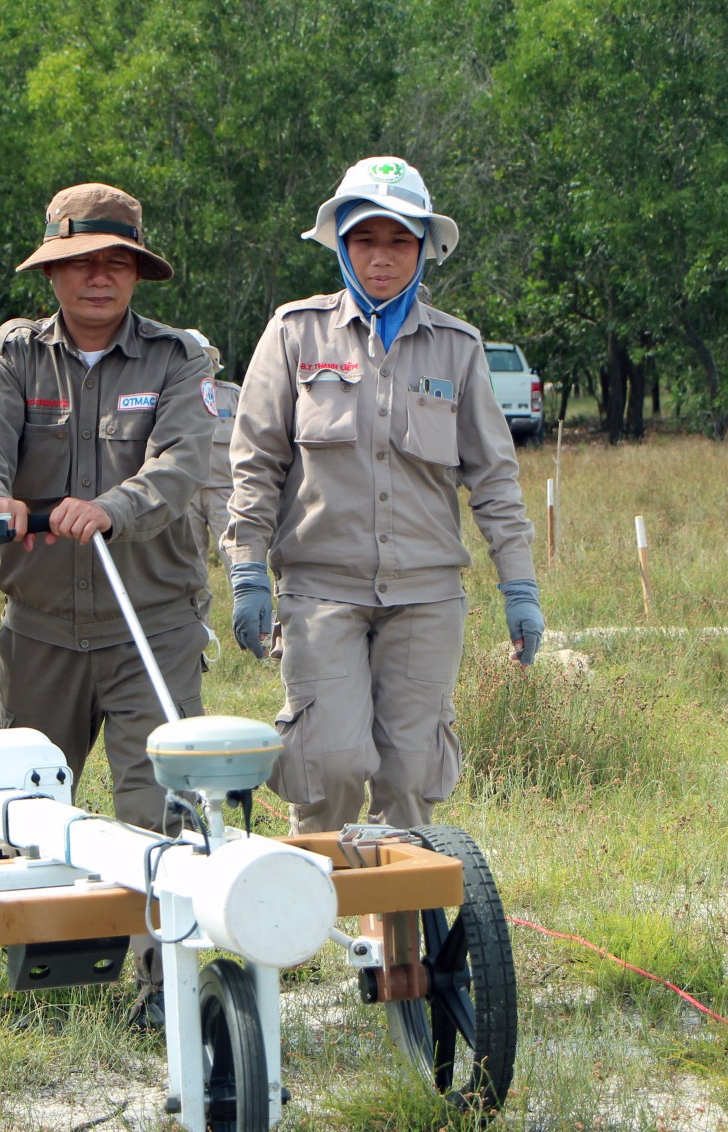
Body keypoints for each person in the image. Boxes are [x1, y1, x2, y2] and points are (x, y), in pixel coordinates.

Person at [0, 183, 214, 1025]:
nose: (98, 278)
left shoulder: (181, 358)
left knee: (159, 808)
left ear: (137, 272)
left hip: (153, 626)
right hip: (40, 630)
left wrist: (117, 505)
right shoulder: (16, 352)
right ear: (52, 272)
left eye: (116, 262)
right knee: (31, 807)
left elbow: (181, 464)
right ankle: (48, 984)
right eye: (80, 263)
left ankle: (157, 986)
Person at [225, 156, 542, 835]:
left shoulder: (457, 347)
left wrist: (520, 588)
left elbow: (493, 477)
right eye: (365, 239)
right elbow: (254, 462)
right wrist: (248, 570)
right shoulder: (293, 333)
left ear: (425, 249)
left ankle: (400, 944)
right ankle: (301, 934)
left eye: (400, 241)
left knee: (411, 775)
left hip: (426, 597)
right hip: (320, 591)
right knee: (328, 766)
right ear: (339, 243)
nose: (382, 257)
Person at [180, 328, 241, 567]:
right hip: (185, 493)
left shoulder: (233, 395)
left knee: (236, 559)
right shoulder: (168, 398)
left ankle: (249, 605)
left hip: (226, 492)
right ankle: (195, 607)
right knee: (187, 564)